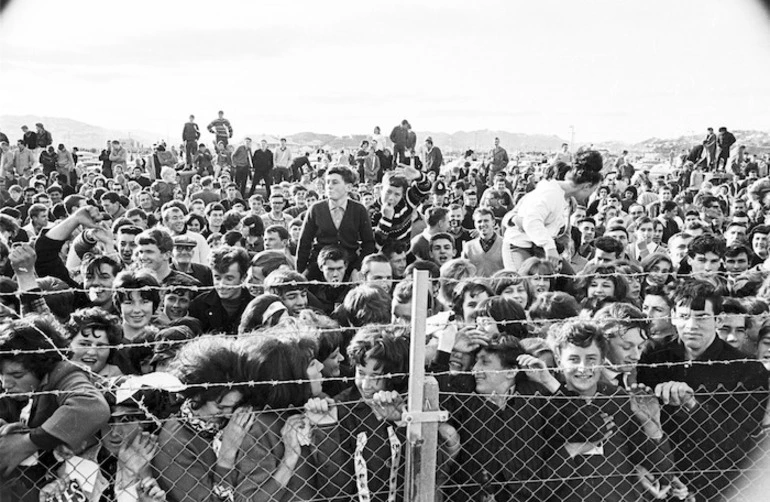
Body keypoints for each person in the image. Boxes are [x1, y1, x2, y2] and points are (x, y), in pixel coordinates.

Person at [637, 279, 769, 500]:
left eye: (701, 317)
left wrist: (693, 405)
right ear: (672, 317)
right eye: (684, 316)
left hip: (716, 481)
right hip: (661, 474)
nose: (691, 326)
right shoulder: (654, 355)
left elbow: (739, 441)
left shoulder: (747, 369)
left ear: (718, 320)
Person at [0, 316, 110, 502]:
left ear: (42, 368)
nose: (5, 383)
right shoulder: (11, 387)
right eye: (1, 375)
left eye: (17, 375)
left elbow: (93, 406)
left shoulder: (63, 374)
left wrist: (30, 441)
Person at [153, 336, 249, 502]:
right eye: (221, 407)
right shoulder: (175, 442)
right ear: (197, 396)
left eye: (234, 406)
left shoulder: (230, 421)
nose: (228, 415)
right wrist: (227, 456)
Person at [503, 150, 604, 271]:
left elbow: (563, 231)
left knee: (569, 282)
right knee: (525, 283)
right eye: (593, 189)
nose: (592, 194)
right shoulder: (550, 193)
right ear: (586, 186)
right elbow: (531, 221)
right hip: (520, 245)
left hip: (540, 247)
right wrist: (550, 247)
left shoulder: (567, 199)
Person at [296, 166, 375, 280]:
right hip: (319, 267)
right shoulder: (316, 209)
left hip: (349, 267)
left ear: (348, 187)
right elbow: (304, 243)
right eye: (327, 182)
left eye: (335, 182)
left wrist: (357, 269)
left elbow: (369, 244)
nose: (329, 186)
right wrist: (301, 272)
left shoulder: (359, 210)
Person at [188, 245, 253, 334]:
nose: (222, 284)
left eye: (229, 278)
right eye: (217, 278)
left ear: (243, 277)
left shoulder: (255, 304)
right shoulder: (199, 305)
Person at [461, 207, 504, 277]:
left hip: (498, 286)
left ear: (493, 222)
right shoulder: (468, 247)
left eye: (486, 221)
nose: (483, 224)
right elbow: (464, 273)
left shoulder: (504, 244)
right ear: (475, 224)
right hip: (477, 286)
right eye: (479, 221)